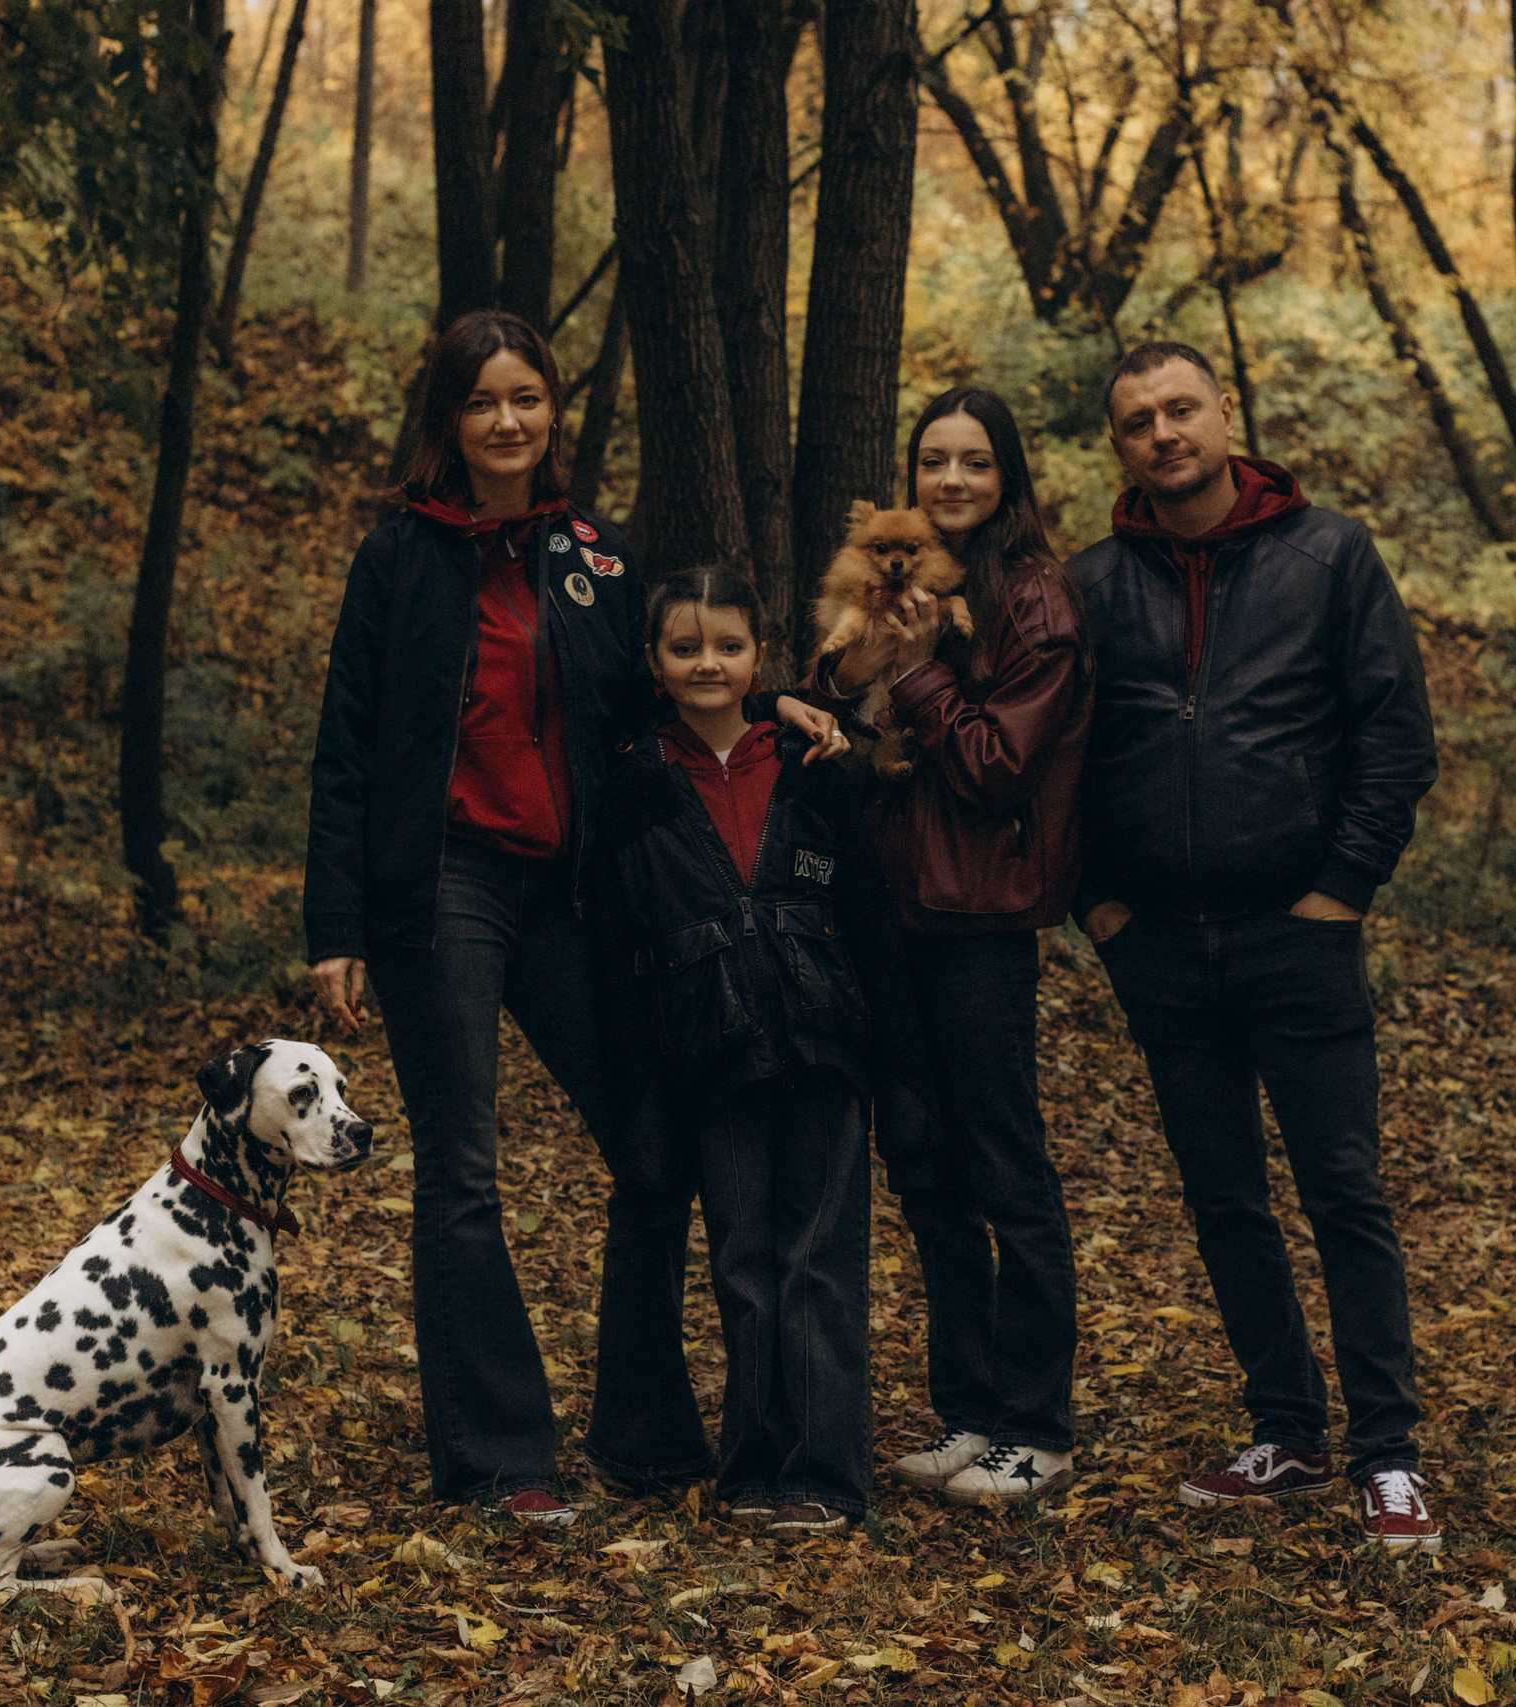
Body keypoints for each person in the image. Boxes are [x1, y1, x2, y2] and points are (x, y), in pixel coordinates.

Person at [301, 310, 844, 1524]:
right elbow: (347, 744)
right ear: (450, 419)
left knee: (653, 1150)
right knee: (465, 1167)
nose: (508, 421)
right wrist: (333, 920)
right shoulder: (399, 559)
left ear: (553, 413)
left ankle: (644, 1431)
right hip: (443, 882)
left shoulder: (595, 553)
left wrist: (783, 709)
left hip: (576, 891)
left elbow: (665, 698)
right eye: (484, 401)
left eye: (528, 399)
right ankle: (500, 1460)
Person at [1068, 341, 1442, 1552]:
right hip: (1162, 947)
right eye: (1138, 421)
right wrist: (1099, 906)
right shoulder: (1089, 583)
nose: (1163, 433)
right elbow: (1056, 759)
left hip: (1299, 934)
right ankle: (1286, 1424)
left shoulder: (1329, 554)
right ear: (1117, 445)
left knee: (1344, 1193)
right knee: (1223, 1197)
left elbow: (1394, 735)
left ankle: (1387, 1453)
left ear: (1227, 414)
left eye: (1181, 409)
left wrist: (1341, 892)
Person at [809, 386, 1092, 1505]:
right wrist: (854, 678)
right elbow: (842, 713)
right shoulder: (908, 580)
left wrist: (921, 671)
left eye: (976, 463)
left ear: (1006, 477)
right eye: (935, 462)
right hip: (893, 909)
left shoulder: (1034, 607)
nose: (953, 482)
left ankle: (1037, 1422)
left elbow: (992, 771)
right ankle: (968, 1410)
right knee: (922, 1163)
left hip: (979, 915)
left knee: (1003, 1165)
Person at [587, 569, 886, 1536]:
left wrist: (889, 1045)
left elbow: (869, 916)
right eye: (684, 647)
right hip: (708, 1051)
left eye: (728, 645)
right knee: (746, 1261)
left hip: (823, 1040)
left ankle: (826, 1472)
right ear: (655, 663)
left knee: (822, 1257)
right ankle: (754, 1467)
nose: (707, 662)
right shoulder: (632, 780)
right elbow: (616, 940)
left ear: (762, 660)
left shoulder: (814, 766)